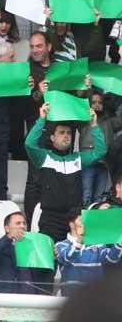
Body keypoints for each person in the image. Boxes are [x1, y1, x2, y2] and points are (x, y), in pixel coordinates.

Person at [25, 99, 105, 240]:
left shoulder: (77, 158)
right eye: (61, 132)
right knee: (51, 260)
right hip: (51, 219)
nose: (66, 135)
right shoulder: (44, 157)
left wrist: (93, 125)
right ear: (52, 137)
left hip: (74, 219)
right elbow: (29, 144)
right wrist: (42, 119)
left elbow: (100, 151)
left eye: (68, 133)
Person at [55, 206, 122, 292]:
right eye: (81, 220)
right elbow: (68, 257)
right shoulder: (60, 245)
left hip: (94, 298)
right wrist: (79, 241)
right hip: (69, 299)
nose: (85, 224)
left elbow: (111, 260)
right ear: (71, 224)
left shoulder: (98, 244)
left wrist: (120, 241)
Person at [0, 211, 47, 294]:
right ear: (7, 228)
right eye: (18, 223)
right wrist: (7, 238)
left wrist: (52, 259)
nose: (22, 226)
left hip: (30, 299)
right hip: (6, 299)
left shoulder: (33, 247)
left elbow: (45, 275)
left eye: (24, 223)